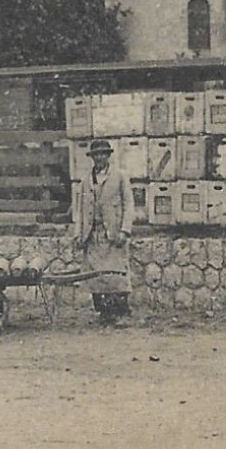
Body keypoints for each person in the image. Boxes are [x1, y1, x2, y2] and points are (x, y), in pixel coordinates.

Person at [76, 138, 134, 326]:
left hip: (113, 234)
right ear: (92, 158)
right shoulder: (86, 181)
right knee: (95, 276)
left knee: (115, 274)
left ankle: (119, 312)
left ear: (108, 156)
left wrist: (125, 230)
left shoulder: (120, 176)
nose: (99, 158)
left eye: (103, 154)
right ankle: (103, 312)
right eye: (96, 155)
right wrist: (79, 234)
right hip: (93, 235)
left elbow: (129, 204)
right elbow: (80, 210)